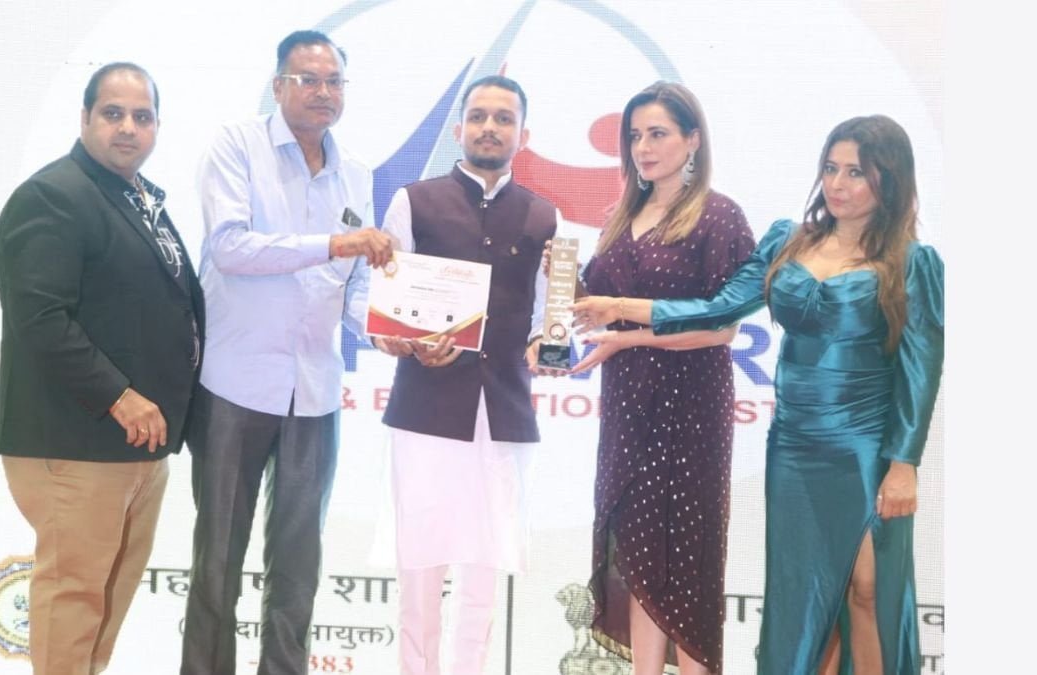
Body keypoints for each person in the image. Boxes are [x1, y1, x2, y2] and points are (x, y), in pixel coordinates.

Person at [572, 114, 943, 674]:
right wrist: (622, 309)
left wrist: (904, 464)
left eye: (856, 173)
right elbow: (717, 308)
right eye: (831, 168)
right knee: (808, 600)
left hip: (865, 448)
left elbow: (920, 370)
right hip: (793, 447)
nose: (838, 184)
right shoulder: (787, 241)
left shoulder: (914, 263)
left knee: (867, 591)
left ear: (887, 182)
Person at [180, 30, 393, 675]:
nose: (323, 92)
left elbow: (355, 288)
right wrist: (333, 243)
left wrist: (388, 334)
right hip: (234, 385)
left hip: (315, 391)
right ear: (278, 86)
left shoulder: (356, 173)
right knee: (217, 558)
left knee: (299, 565)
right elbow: (230, 249)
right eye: (308, 79)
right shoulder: (235, 146)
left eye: (334, 82)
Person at [0, 62, 204, 675]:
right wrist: (119, 396)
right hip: (78, 437)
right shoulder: (53, 195)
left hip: (138, 444)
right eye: (113, 113)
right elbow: (40, 319)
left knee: (107, 596)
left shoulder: (138, 197)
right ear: (85, 118)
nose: (128, 127)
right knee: (75, 594)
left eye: (142, 116)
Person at [550, 81, 755, 675]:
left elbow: (721, 328)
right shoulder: (623, 216)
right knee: (635, 554)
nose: (643, 147)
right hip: (628, 408)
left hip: (690, 409)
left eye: (658, 133)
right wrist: (559, 278)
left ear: (692, 140)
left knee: (688, 559)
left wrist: (628, 336)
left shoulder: (719, 215)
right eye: (635, 135)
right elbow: (597, 307)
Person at [371, 75, 557, 675]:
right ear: (458, 129)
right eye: (478, 116)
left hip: (504, 409)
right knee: (421, 564)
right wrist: (399, 338)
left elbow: (547, 316)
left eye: (504, 118)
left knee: (485, 565)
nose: (489, 128)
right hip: (425, 407)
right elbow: (380, 307)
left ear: (523, 134)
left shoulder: (543, 216)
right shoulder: (413, 202)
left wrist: (546, 344)